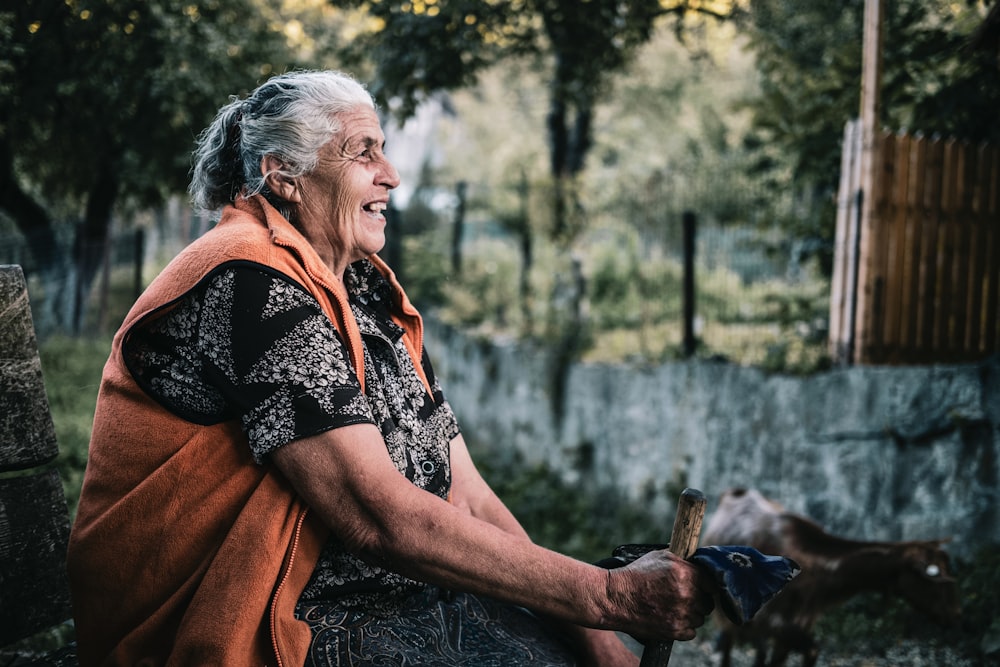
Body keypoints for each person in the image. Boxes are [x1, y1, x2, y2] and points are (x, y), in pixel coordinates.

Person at [66, 69, 714, 667]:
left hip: (392, 602)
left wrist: (601, 636)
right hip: (263, 621)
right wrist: (607, 594)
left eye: (384, 148)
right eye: (363, 152)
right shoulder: (249, 283)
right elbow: (377, 518)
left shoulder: (364, 292)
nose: (392, 175)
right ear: (283, 175)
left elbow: (467, 494)